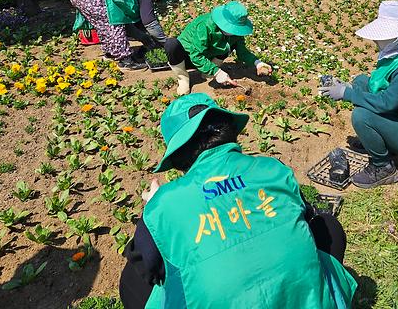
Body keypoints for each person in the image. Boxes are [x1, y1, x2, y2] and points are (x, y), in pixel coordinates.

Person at [119, 93, 357, 309]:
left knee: (132, 279)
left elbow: (147, 267)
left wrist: (153, 207)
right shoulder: (273, 170)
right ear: (229, 130)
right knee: (328, 226)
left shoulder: (164, 205)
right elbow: (303, 217)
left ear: (178, 156)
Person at [319, 0, 398, 188]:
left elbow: (387, 103)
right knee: (361, 81)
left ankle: (383, 167)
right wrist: (347, 86)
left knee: (361, 116)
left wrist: (347, 94)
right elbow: (381, 90)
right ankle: (380, 140)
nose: (376, 39)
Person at [165, 1, 272, 95]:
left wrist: (257, 63)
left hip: (208, 56)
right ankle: (183, 78)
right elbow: (196, 55)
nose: (235, 31)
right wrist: (217, 72)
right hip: (187, 57)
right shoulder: (205, 25)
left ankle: (207, 72)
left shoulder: (236, 33)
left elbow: (241, 50)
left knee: (228, 44)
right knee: (171, 45)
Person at [69, 0, 172, 70]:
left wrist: (143, 37)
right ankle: (126, 61)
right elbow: (149, 22)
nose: (157, 0)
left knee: (103, 25)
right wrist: (165, 43)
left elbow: (127, 25)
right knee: (114, 24)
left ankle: (111, 54)